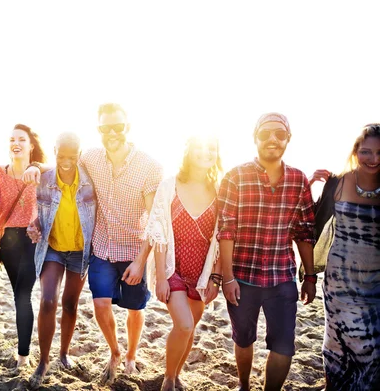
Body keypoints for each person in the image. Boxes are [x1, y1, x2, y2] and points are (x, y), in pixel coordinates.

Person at [24, 103, 163, 384]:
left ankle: (116, 355)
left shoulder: (137, 167)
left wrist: (142, 260)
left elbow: (155, 219)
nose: (111, 132)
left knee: (113, 307)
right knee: (73, 302)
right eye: (105, 128)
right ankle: (61, 358)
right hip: (80, 248)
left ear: (128, 127)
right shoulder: (83, 162)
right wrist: (33, 166)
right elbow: (56, 173)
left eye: (117, 126)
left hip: (110, 250)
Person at [217, 113, 316, 391]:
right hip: (243, 278)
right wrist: (227, 278)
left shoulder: (298, 180)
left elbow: (304, 231)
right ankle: (245, 385)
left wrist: (310, 276)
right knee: (243, 338)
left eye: (280, 134)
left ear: (288, 138)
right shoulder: (235, 176)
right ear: (255, 137)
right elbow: (226, 230)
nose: (272, 139)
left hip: (282, 278)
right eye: (265, 134)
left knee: (284, 345)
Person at [143, 135, 223, 391]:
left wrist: (215, 278)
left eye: (211, 148)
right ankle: (168, 379)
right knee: (184, 324)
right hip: (172, 269)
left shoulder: (220, 190)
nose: (205, 152)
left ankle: (177, 374)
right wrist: (162, 278)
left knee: (190, 328)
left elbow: (222, 238)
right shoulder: (170, 186)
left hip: (202, 273)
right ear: (189, 151)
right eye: (200, 147)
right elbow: (158, 231)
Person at [309, 124, 380, 390]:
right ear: (355, 151)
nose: (373, 159)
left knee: (372, 349)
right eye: (366, 152)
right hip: (339, 283)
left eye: (379, 152)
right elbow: (311, 224)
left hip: (376, 284)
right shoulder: (337, 184)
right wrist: (309, 185)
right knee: (337, 344)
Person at [26, 132, 96, 388]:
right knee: (47, 301)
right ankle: (43, 361)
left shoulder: (90, 179)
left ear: (79, 154)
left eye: (72, 156)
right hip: (52, 248)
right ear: (54, 151)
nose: (66, 161)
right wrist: (33, 225)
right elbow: (33, 211)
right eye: (61, 155)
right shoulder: (44, 179)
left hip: (80, 250)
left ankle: (63, 353)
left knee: (69, 304)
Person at [0, 124, 47, 368]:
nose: (15, 143)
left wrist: (36, 167)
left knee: (23, 295)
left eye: (21, 139)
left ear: (31, 145)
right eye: (12, 139)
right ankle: (24, 354)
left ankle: (23, 356)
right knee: (20, 296)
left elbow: (56, 173)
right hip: (8, 243)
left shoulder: (41, 173)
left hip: (32, 241)